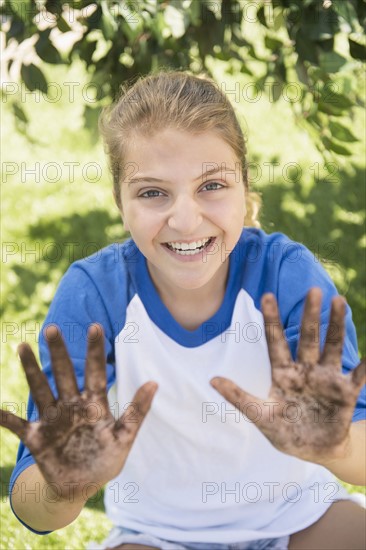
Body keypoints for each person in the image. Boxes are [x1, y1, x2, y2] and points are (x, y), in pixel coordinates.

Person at [1, 70, 365, 550]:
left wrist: (334, 446)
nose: (186, 219)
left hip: (298, 519)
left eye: (211, 185)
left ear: (243, 186)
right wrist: (63, 485)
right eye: (153, 192)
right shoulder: (95, 293)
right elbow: (34, 509)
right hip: (158, 536)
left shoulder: (286, 274)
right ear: (120, 202)